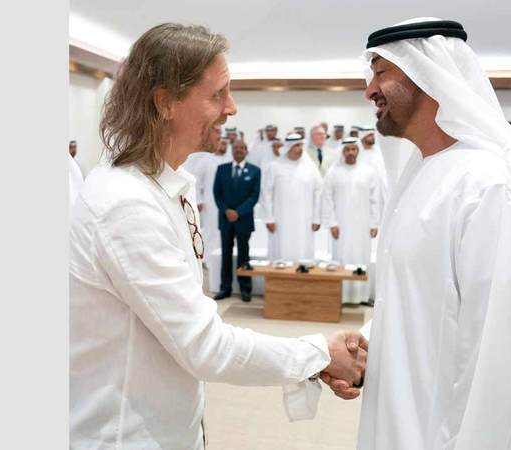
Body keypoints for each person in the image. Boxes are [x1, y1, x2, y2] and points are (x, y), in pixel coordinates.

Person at [69, 23, 367, 450]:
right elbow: (206, 346)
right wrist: (318, 353)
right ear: (165, 103)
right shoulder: (124, 204)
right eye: (217, 94)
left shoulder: (166, 185)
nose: (231, 108)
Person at [318, 18, 511, 450]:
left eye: (381, 72)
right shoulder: (421, 173)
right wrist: (367, 349)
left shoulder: (489, 183)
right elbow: (423, 298)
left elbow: (498, 348)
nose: (369, 90)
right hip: (402, 414)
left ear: (426, 74)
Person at [322, 138, 380, 305]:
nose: (350, 153)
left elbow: (375, 200)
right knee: (341, 257)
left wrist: (374, 223)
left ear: (358, 151)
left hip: (362, 226)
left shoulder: (368, 171)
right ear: (342, 152)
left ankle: (361, 296)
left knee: (361, 258)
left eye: (354, 149)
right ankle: (341, 296)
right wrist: (332, 223)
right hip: (340, 226)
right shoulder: (334, 172)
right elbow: (327, 199)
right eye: (347, 150)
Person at [261, 133, 322, 261]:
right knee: (281, 252)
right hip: (281, 219)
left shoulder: (310, 167)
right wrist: (268, 218)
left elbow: (318, 192)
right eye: (296, 146)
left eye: (301, 145)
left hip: (305, 220)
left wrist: (317, 218)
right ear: (288, 147)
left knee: (303, 253)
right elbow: (266, 193)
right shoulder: (275, 167)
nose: (300, 149)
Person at [212, 140, 261, 302]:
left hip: (244, 219)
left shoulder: (255, 171)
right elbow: (217, 194)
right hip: (225, 219)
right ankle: (225, 288)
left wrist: (238, 212)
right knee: (226, 254)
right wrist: (226, 210)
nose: (238, 150)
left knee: (243, 255)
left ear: (246, 151)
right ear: (232, 151)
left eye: (242, 148)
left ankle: (245, 289)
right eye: (236, 148)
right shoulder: (222, 169)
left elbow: (254, 196)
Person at [357, 126, 389, 211]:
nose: (373, 137)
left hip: (380, 191)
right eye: (370, 135)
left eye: (373, 135)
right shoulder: (358, 153)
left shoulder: (378, 152)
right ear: (363, 136)